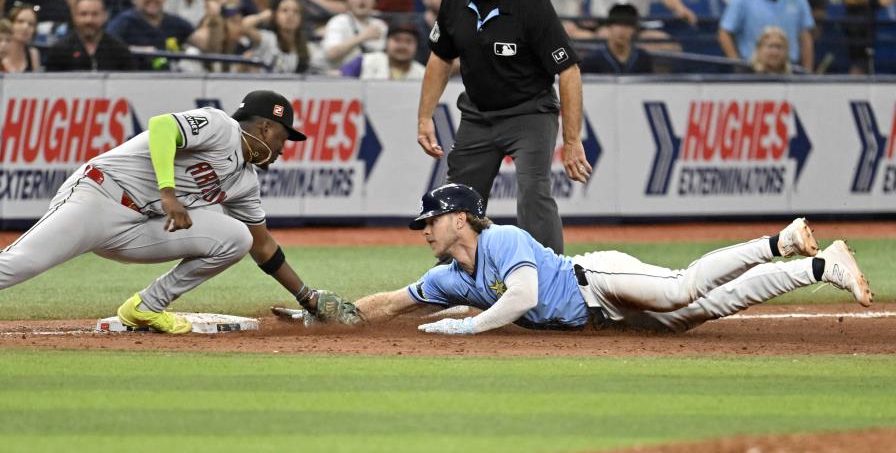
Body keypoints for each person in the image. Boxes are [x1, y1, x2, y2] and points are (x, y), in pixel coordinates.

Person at [0, 90, 355, 334]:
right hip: (99, 198)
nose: (282, 148)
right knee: (21, 264)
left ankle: (145, 307)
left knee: (237, 237)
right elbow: (162, 127)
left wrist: (307, 297)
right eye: (283, 137)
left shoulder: (245, 182)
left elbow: (262, 246)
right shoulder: (220, 126)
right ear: (265, 127)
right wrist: (167, 192)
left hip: (138, 229)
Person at [340, 184, 872, 335]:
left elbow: (523, 295)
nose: (424, 229)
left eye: (429, 220)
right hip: (602, 315)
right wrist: (332, 311)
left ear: (459, 219)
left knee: (679, 290)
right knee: (702, 311)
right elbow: (395, 301)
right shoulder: (451, 275)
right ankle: (820, 267)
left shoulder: (502, 240)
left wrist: (470, 327)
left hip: (594, 279)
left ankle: (776, 243)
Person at [416, 0, 588, 255]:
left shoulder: (530, 0)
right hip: (478, 115)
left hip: (530, 113)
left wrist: (572, 140)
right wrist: (424, 117)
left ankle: (550, 276)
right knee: (456, 199)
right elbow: (441, 57)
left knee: (534, 191)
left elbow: (568, 70)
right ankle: (453, 277)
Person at [107, 0, 207, 71]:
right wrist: (137, 51)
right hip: (134, 80)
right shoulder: (124, 21)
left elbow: (206, 46)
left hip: (171, 81)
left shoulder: (175, 22)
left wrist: (214, 21)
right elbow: (105, 48)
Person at [45, 0, 136, 71]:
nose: (89, 20)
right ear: (74, 16)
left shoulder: (119, 50)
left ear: (105, 16)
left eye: (95, 14)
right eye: (83, 14)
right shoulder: (60, 51)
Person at [321, 0, 387, 70]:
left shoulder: (381, 25)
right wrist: (362, 37)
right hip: (343, 80)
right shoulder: (339, 21)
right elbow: (331, 54)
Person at [242, 0, 311, 73]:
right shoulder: (268, 39)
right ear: (275, 15)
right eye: (284, 10)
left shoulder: (306, 46)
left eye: (296, 11)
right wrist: (264, 15)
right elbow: (245, 25)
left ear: (301, 18)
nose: (290, 15)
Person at [580, 2, 653, 74]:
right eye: (618, 24)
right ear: (609, 26)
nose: (622, 30)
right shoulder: (592, 60)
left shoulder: (643, 58)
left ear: (634, 29)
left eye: (627, 25)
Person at [340, 21, 425, 79]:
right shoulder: (365, 61)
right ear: (386, 42)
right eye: (397, 40)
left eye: (408, 41)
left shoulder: (423, 74)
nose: (402, 46)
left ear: (416, 46)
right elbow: (342, 82)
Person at [3, 3, 40, 72]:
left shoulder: (33, 54)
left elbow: (35, 82)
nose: (25, 27)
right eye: (20, 21)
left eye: (31, 24)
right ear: (10, 23)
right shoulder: (1, 51)